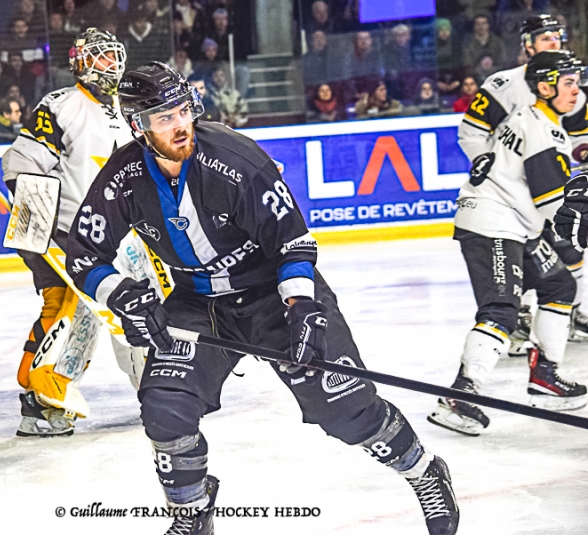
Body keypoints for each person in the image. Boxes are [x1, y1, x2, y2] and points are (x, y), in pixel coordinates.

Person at [65, 61, 460, 535]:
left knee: (344, 408)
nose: (180, 125)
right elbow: (85, 255)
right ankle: (192, 513)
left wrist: (303, 306)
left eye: (182, 111)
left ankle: (424, 473)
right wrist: (123, 294)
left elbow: (292, 242)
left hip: (271, 294)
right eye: (164, 118)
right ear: (137, 124)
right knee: (165, 407)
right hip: (195, 302)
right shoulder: (123, 175)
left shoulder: (235, 159)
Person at [429, 50, 588, 437]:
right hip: (493, 223)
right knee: (501, 309)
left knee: (559, 284)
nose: (576, 90)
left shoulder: (538, 120)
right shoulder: (542, 130)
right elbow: (553, 203)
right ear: (545, 86)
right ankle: (461, 396)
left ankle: (545, 376)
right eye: (568, 83)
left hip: (513, 222)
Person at [1, 29, 145, 437]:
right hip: (68, 233)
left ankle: (157, 390)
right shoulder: (61, 106)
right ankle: (42, 400)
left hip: (122, 236)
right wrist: (35, 231)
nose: (111, 65)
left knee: (135, 309)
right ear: (81, 62)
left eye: (115, 57)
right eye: (101, 58)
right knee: (72, 311)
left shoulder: (127, 107)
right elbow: (23, 165)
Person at [458, 14, 588, 348]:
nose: (553, 43)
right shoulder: (503, 85)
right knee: (518, 258)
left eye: (557, 37)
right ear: (527, 45)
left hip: (547, 186)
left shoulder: (572, 87)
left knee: (568, 250)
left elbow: (577, 139)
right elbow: (471, 133)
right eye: (545, 38)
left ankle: (576, 313)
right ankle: (518, 318)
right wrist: (487, 161)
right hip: (511, 196)